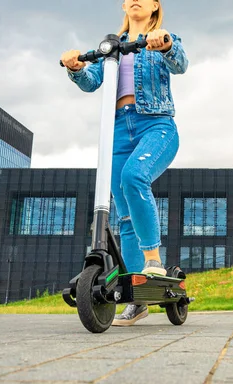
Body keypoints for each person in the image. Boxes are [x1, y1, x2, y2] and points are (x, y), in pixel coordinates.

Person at [61, 0, 188, 326]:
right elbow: (92, 82)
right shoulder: (110, 47)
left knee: (134, 177)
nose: (135, 0)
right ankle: (135, 297)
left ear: (155, 6)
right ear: (123, 5)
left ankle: (152, 260)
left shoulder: (160, 37)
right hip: (118, 130)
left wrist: (166, 44)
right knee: (125, 211)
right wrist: (75, 66)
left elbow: (181, 64)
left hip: (156, 125)